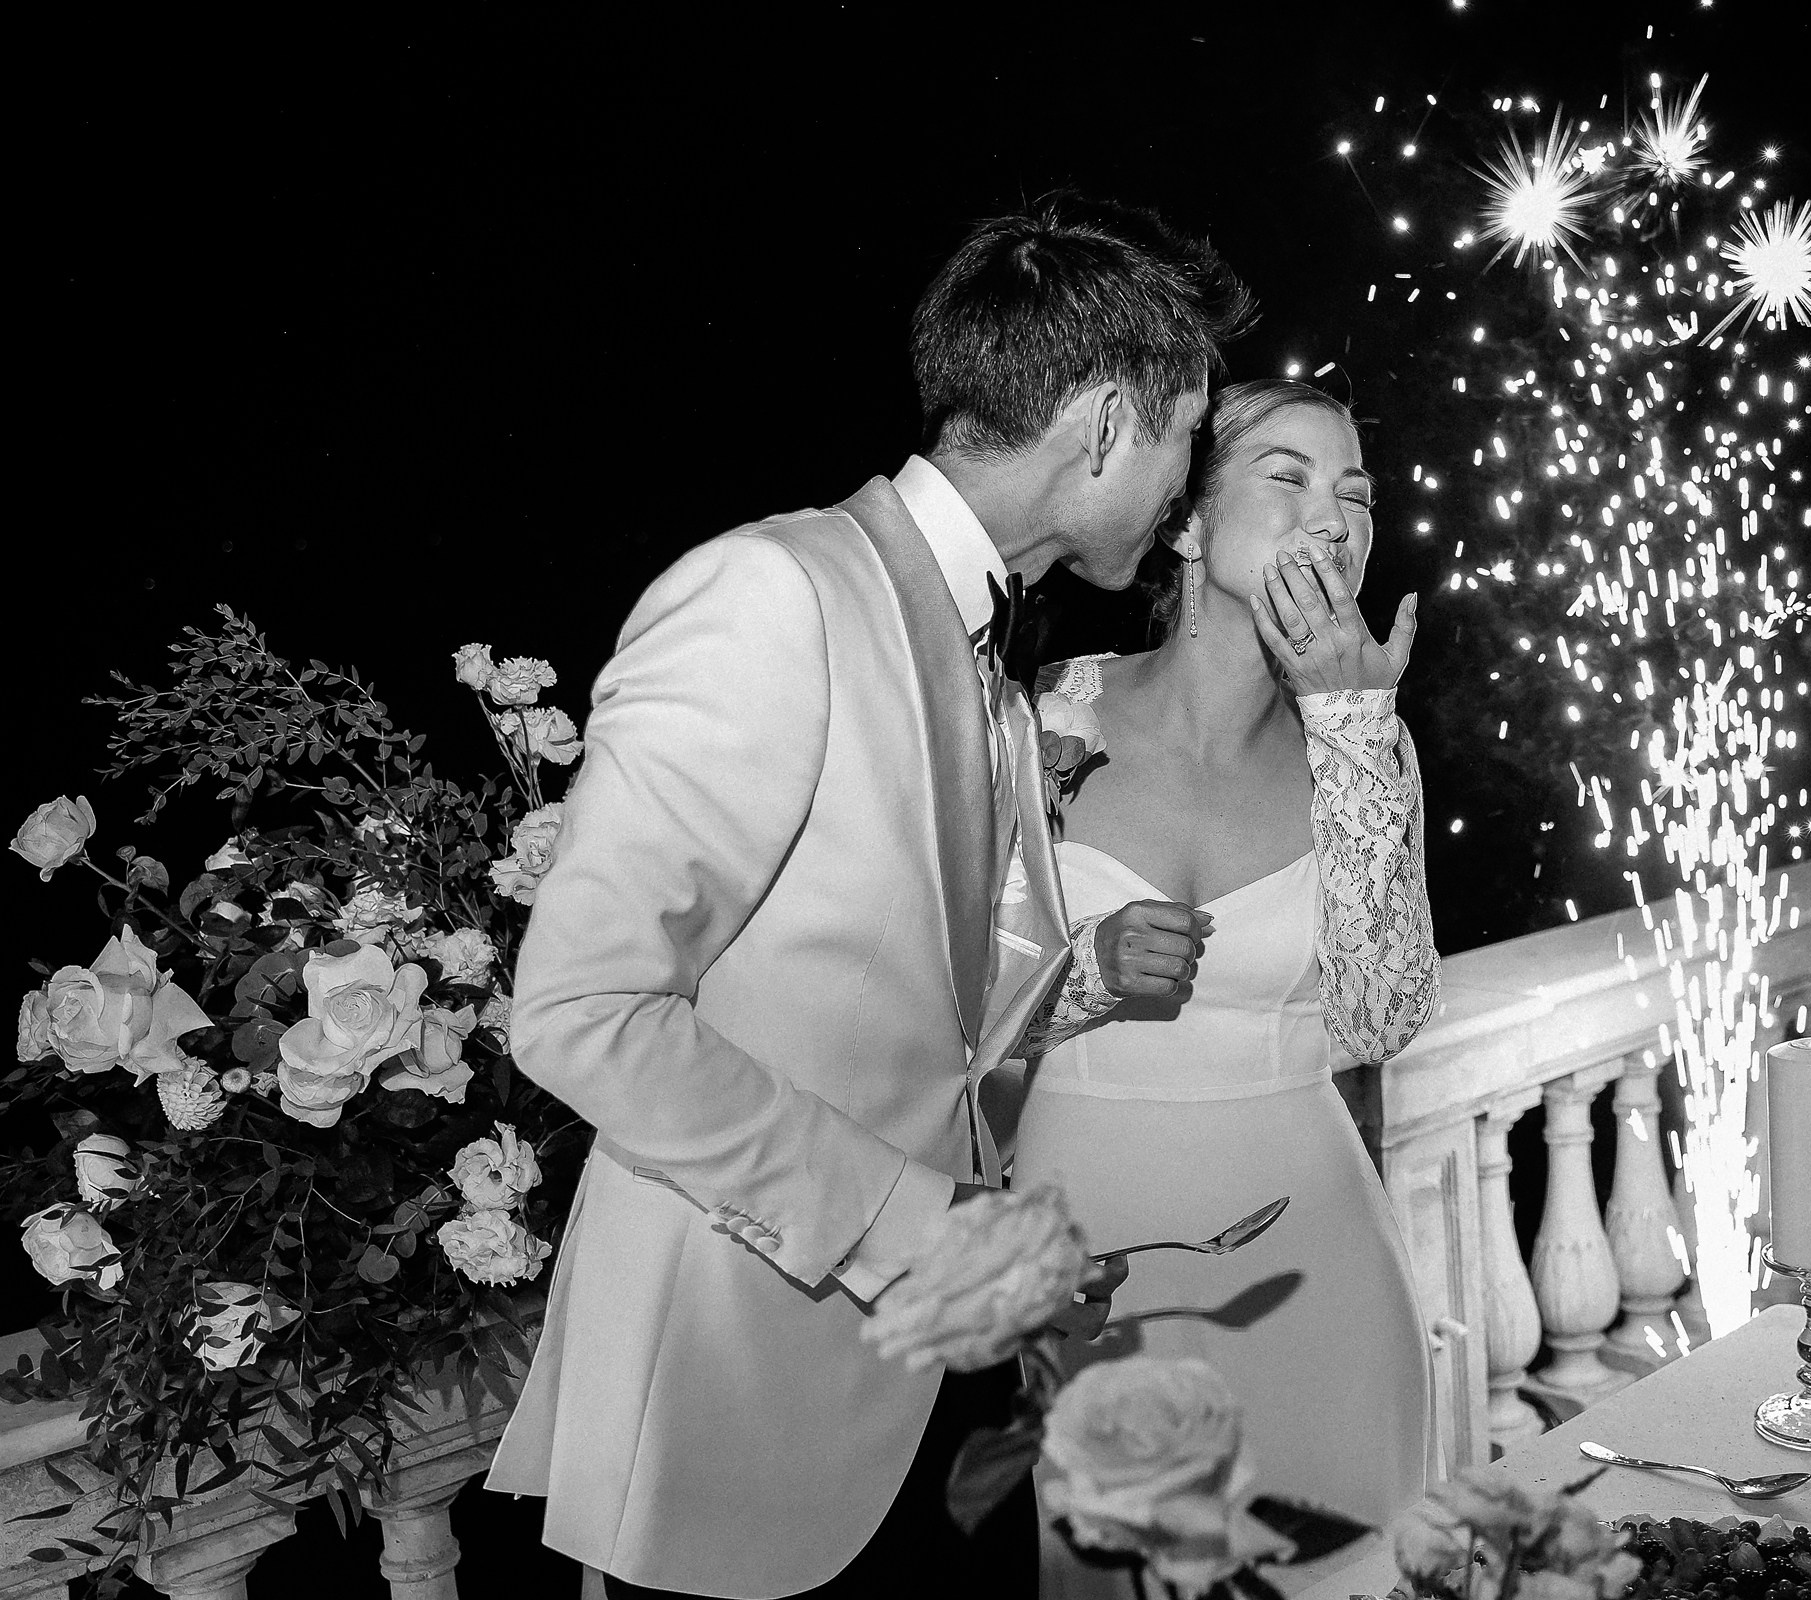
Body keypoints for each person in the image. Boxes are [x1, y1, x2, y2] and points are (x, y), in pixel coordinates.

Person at [485, 194, 1255, 1600]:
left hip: (950, 1405)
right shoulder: (769, 597)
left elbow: (927, 1017)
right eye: (1188, 435)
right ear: (1100, 427)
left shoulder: (993, 669)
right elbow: (583, 1013)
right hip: (752, 1404)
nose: (1187, 488)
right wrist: (919, 1227)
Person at [1015, 379, 1440, 1598]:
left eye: (1356, 493)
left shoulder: (1365, 743)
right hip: (1084, 1262)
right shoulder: (1039, 723)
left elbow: (1380, 1016)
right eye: (1289, 476)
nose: (1336, 514)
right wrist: (1078, 979)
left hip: (1314, 1258)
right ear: (1188, 524)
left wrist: (1355, 717)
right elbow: (929, 1012)